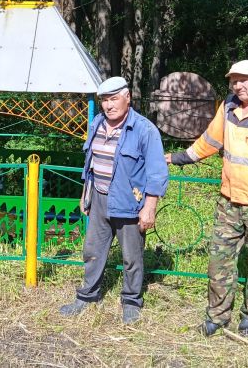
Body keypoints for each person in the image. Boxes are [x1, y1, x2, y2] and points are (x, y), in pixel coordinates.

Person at [165, 60, 248, 336]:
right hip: (230, 202)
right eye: (233, 80)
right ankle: (217, 315)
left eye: (244, 79)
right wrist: (177, 158)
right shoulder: (227, 108)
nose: (238, 85)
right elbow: (210, 142)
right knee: (219, 260)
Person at [59, 76, 169, 324]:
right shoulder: (97, 122)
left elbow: (156, 172)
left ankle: (131, 301)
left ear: (127, 97)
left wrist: (149, 208)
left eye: (113, 99)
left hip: (129, 202)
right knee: (92, 251)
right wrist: (85, 193)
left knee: (132, 256)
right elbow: (91, 164)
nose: (108, 106)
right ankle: (88, 296)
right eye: (104, 101)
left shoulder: (144, 130)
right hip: (98, 197)